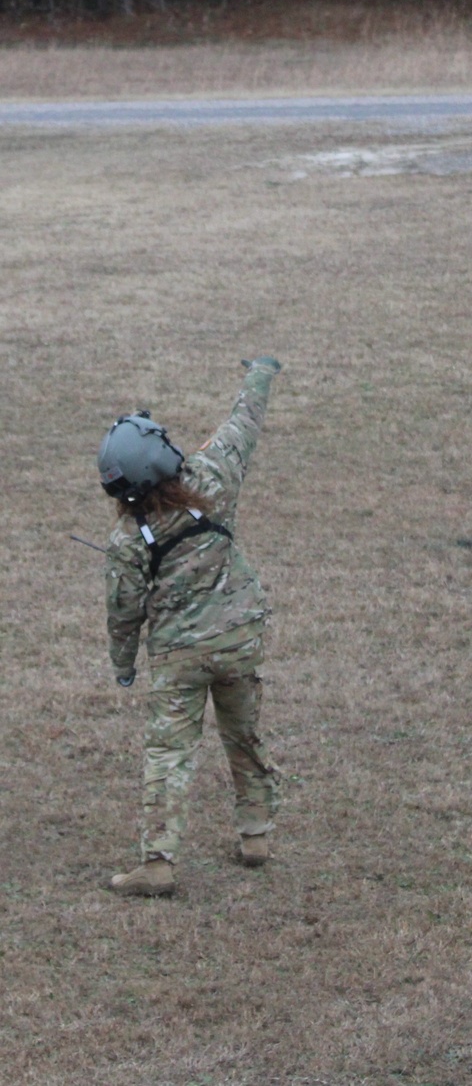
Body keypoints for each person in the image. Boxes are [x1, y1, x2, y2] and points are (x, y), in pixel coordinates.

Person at [99, 357, 282, 897]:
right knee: (243, 735)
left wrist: (123, 666)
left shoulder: (129, 540)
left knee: (167, 753)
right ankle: (256, 835)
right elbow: (242, 423)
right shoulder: (215, 477)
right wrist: (261, 373)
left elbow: (123, 612)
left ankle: (158, 863)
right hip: (239, 639)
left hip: (178, 658)